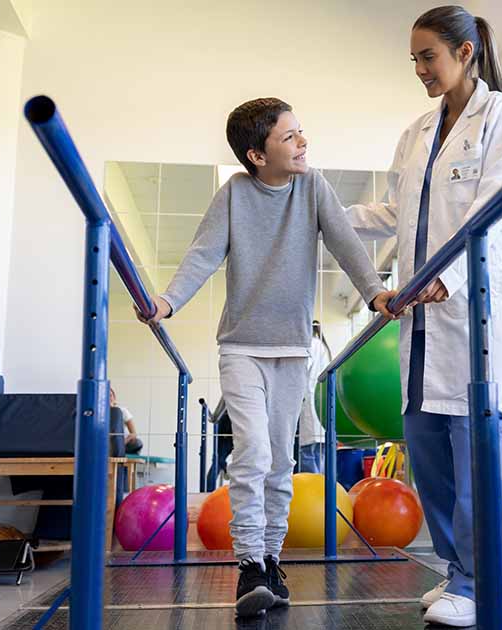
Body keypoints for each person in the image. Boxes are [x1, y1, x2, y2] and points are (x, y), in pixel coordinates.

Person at [141, 97, 396, 618]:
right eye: (290, 137)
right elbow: (203, 254)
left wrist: (374, 294)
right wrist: (168, 301)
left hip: (293, 349)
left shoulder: (314, 187)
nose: (303, 143)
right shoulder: (234, 193)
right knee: (253, 451)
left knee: (281, 461)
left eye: (301, 133)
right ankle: (248, 566)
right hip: (241, 346)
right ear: (257, 155)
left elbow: (346, 243)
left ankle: (271, 562)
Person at [346, 6, 502, 627]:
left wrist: (448, 275)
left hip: (474, 308)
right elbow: (399, 212)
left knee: (473, 454)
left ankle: (481, 583)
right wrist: (324, 212)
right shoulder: (414, 133)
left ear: (464, 53)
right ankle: (458, 574)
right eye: (414, 60)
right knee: (426, 450)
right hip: (422, 317)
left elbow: (496, 207)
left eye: (428, 57)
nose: (420, 70)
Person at [296, 321, 333, 473]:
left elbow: (300, 371)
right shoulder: (323, 347)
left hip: (310, 404)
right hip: (322, 404)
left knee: (308, 455)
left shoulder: (309, 345)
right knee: (321, 455)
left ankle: (313, 491)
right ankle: (321, 491)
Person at [109, 387, 143, 454]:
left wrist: (122, 443)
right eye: (106, 396)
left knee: (137, 443)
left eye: (110, 395)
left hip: (121, 443)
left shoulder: (123, 410)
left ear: (114, 398)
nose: (109, 398)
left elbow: (133, 433)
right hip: (104, 443)